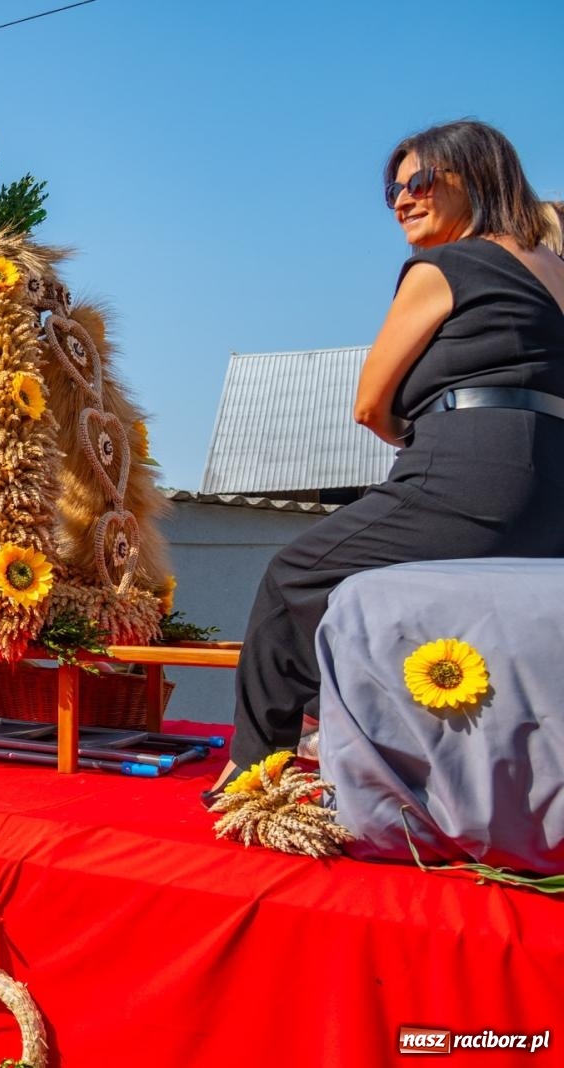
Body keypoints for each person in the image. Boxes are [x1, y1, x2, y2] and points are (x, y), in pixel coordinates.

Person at [212, 120, 564, 794]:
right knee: (426, 603)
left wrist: (424, 441)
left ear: (478, 178)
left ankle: (258, 767)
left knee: (295, 575)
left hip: (473, 469)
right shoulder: (552, 268)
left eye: (421, 181)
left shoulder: (444, 267)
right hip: (552, 488)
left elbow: (369, 404)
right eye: (393, 190)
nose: (403, 199)